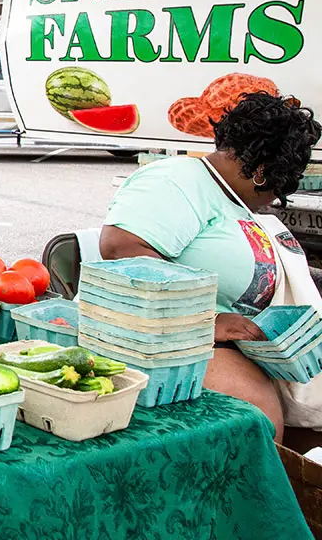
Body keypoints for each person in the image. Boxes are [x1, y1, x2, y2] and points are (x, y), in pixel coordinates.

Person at [101, 91, 322, 442]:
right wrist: (207, 320)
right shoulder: (176, 180)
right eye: (280, 188)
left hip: (232, 339)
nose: (274, 199)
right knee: (256, 427)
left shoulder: (230, 195)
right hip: (175, 338)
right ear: (263, 173)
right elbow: (121, 249)